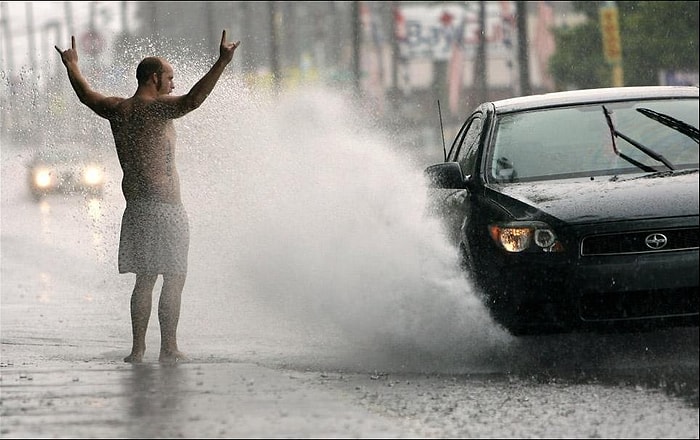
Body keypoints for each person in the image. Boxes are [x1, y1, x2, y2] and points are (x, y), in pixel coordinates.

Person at [55, 30, 240, 363]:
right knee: (174, 276)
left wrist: (72, 67)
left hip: (137, 209)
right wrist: (222, 62)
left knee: (145, 279)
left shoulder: (117, 109)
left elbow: (86, 96)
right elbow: (193, 101)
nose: (173, 82)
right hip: (166, 209)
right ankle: (168, 348)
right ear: (154, 78)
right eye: (169, 77)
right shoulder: (155, 109)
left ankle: (137, 349)